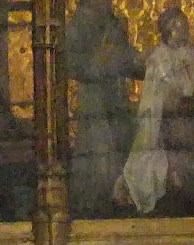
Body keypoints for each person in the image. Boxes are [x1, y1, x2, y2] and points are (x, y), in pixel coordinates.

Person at [116, 7, 194, 214]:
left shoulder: (187, 52)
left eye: (186, 26)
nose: (186, 30)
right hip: (164, 117)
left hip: (183, 113)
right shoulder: (160, 57)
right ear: (170, 29)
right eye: (181, 26)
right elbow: (173, 90)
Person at [64, 0, 142, 215]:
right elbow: (70, 63)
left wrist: (144, 63)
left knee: (122, 145)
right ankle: (95, 203)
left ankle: (120, 200)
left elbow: (126, 57)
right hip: (94, 101)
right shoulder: (78, 25)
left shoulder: (112, 23)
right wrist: (99, 62)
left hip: (117, 98)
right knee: (98, 152)